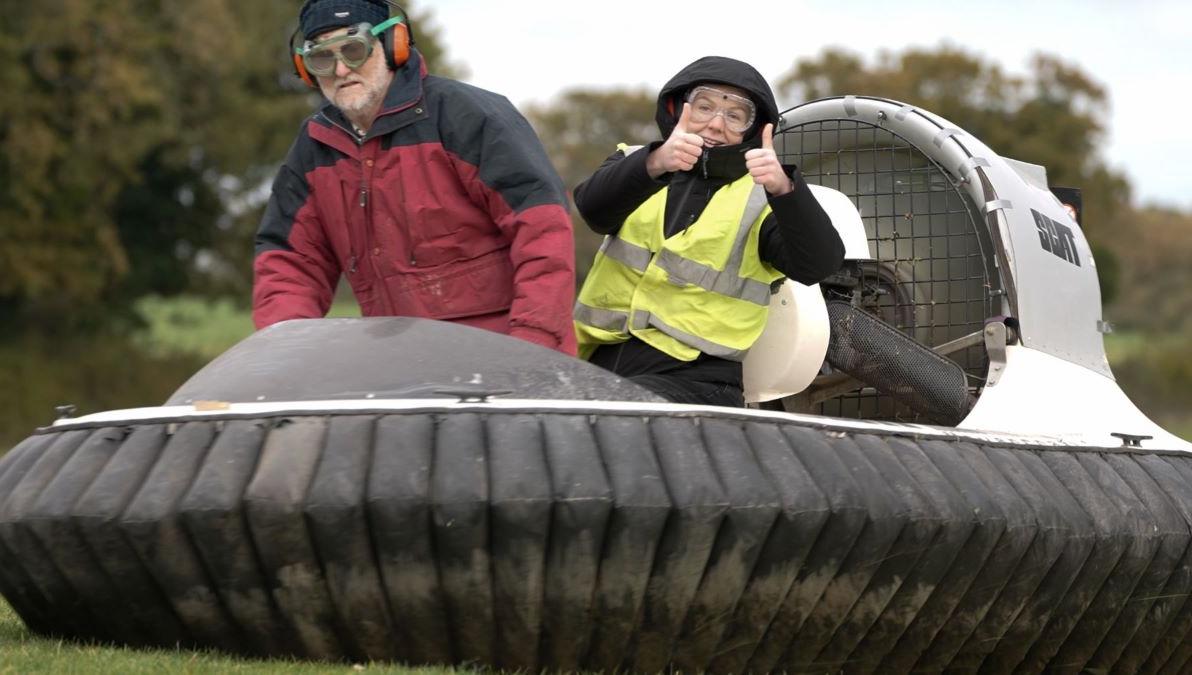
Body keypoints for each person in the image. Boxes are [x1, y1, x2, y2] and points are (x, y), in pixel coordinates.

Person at [253, 0, 577, 355]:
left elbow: (542, 233)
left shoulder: (467, 116)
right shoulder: (313, 146)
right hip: (399, 369)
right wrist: (285, 356)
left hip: (504, 362)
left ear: (394, 45)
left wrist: (533, 350)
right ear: (306, 67)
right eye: (322, 59)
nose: (341, 69)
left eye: (353, 50)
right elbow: (291, 263)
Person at [573, 56, 845, 406]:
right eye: (705, 107)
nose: (716, 125)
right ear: (677, 108)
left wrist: (783, 188)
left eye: (735, 116)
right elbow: (592, 210)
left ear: (754, 129)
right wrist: (656, 163)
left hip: (698, 380)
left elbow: (818, 265)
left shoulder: (763, 199)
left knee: (621, 414)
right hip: (598, 363)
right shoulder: (637, 162)